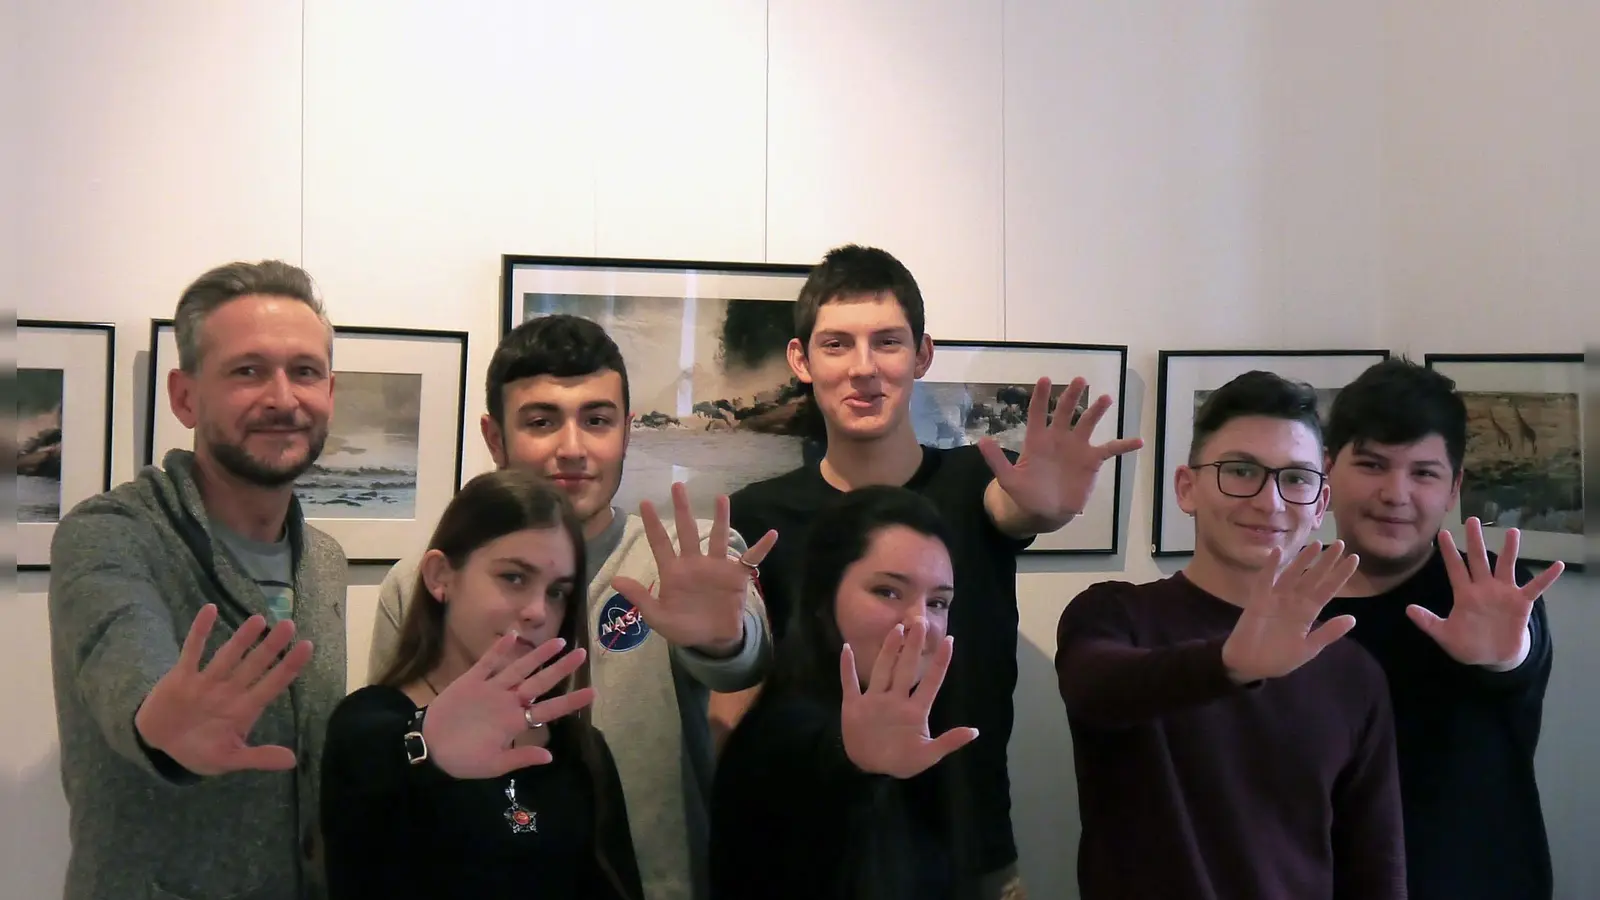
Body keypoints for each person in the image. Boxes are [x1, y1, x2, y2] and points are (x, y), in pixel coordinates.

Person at [727, 244, 1140, 898]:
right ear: (801, 361)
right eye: (837, 345)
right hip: (811, 855)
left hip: (969, 851)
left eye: (887, 342)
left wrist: (1045, 510)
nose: (864, 369)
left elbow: (1014, 509)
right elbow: (738, 693)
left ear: (922, 354)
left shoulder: (979, 483)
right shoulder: (760, 515)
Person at [365, 313, 775, 900]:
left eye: (598, 420)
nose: (573, 448)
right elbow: (384, 761)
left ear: (626, 432)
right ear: (494, 437)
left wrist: (724, 640)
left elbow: (742, 657)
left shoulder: (682, 563)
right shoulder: (424, 585)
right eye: (541, 421)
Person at [46, 260, 347, 900]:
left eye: (304, 372)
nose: (283, 399)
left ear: (329, 392)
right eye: (248, 371)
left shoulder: (324, 560)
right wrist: (159, 724)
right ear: (185, 397)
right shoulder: (112, 533)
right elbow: (119, 646)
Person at [1054, 370, 1406, 900]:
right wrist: (1228, 664)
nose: (1269, 501)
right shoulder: (1115, 615)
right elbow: (1095, 688)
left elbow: (1374, 869)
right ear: (1186, 488)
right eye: (1240, 471)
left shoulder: (1350, 670)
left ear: (1320, 503)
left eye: (1295, 478)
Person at [322, 468, 644, 899]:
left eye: (557, 592)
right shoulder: (371, 726)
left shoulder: (579, 749)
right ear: (440, 577)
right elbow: (373, 761)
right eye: (514, 577)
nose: (536, 611)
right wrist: (425, 747)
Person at [1320, 357, 1566, 900]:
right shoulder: (1287, 600)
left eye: (1423, 472)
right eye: (1372, 465)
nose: (1395, 493)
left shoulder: (1494, 594)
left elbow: (1518, 660)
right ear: (1328, 469)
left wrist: (1507, 657)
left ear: (1454, 488)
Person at [710, 485, 981, 900]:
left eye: (938, 602)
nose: (920, 623)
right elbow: (822, 769)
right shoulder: (783, 739)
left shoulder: (936, 730)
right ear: (824, 599)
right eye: (888, 591)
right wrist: (855, 764)